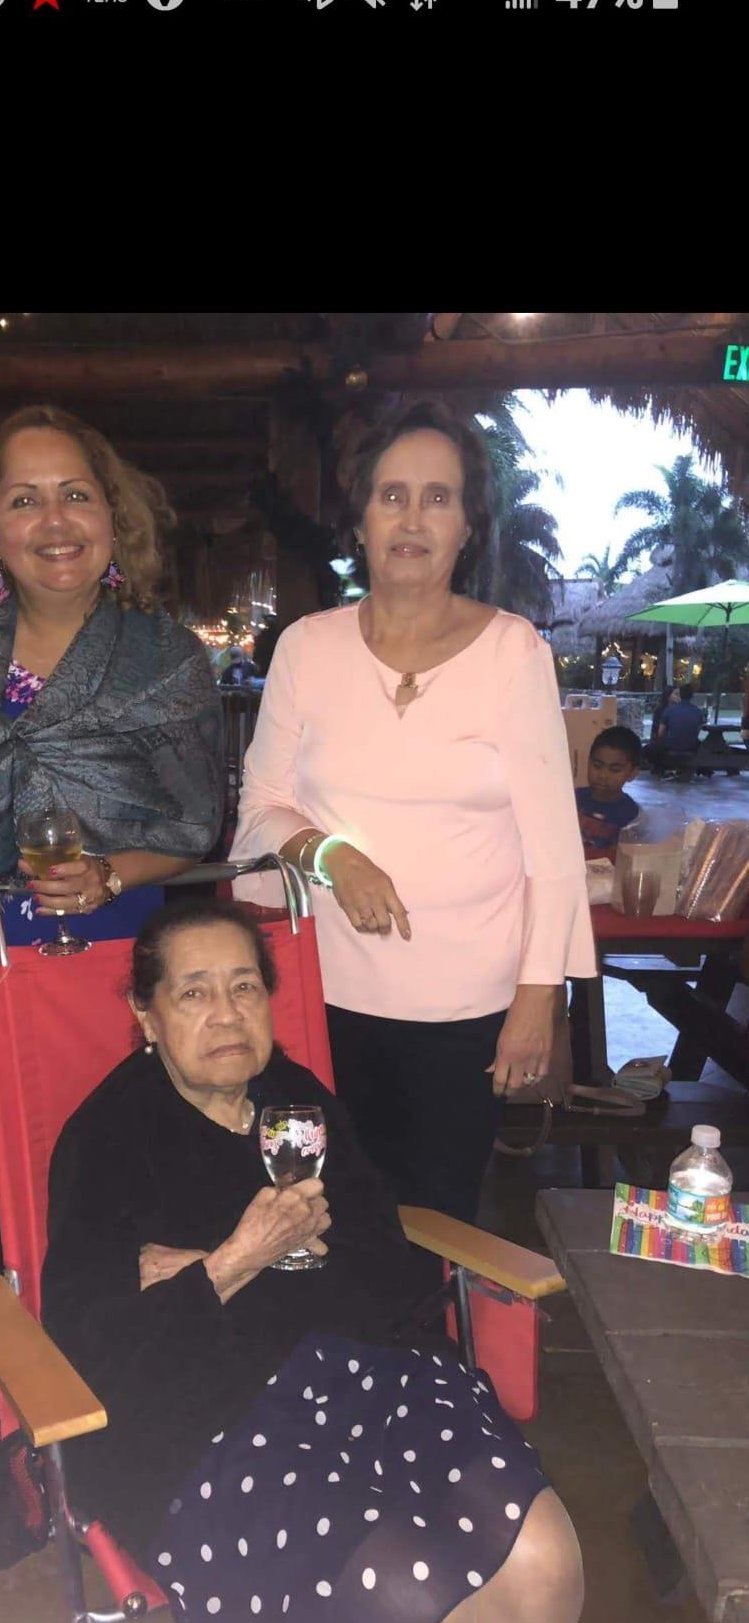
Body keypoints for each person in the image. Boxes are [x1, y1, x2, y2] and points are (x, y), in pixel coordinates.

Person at [42, 900, 585, 1623]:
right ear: (148, 1015)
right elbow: (94, 1343)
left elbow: (389, 1269)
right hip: (210, 1427)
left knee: (545, 1561)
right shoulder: (108, 1139)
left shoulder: (298, 1104)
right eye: (194, 993)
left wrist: (224, 1268)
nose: (227, 1014)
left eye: (246, 988)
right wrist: (238, 1260)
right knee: (411, 1596)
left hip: (375, 1372)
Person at [229, 400, 596, 1222]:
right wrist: (333, 854)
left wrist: (538, 997)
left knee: (438, 1218)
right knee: (325, 1209)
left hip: (466, 1007)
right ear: (358, 518)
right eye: (392, 495)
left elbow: (552, 847)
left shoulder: (513, 651)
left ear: (468, 527)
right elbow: (260, 810)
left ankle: (425, 1353)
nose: (412, 518)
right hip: (321, 992)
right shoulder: (307, 648)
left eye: (439, 498)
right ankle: (344, 1354)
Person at [0, 404, 225, 1268]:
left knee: (122, 1198)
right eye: (25, 500)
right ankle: (26, 1388)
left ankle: (136, 1377)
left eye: (75, 494)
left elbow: (194, 825)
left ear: (112, 516)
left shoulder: (169, 660)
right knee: (1, 1206)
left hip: (118, 976)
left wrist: (111, 871)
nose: (55, 521)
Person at [575, 726, 642, 858]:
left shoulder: (632, 816)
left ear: (632, 773)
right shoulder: (572, 799)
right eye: (597, 766)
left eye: (615, 770)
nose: (603, 775)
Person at [650, 681, 705, 772]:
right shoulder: (698, 711)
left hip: (671, 744)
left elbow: (660, 733)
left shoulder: (668, 711)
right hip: (691, 745)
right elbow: (697, 731)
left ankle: (659, 768)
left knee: (651, 748)